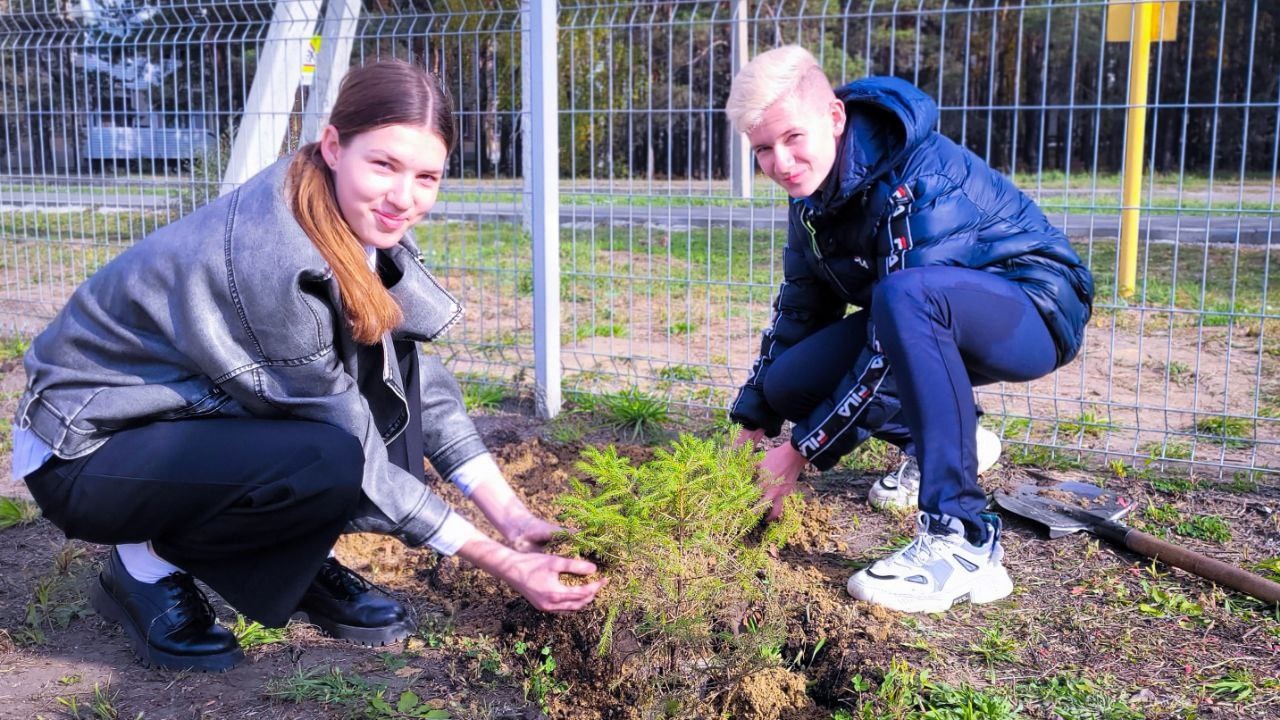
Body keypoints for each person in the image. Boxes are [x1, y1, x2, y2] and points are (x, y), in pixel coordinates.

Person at [11, 60, 603, 672]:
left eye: (427, 176)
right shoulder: (278, 260)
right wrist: (501, 562)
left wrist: (513, 518)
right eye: (384, 164)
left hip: (177, 417)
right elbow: (352, 443)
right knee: (327, 458)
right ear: (333, 145)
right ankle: (142, 568)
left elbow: (418, 385)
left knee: (362, 415)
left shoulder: (355, 222)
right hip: (85, 455)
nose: (405, 197)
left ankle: (292, 550)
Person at [724, 46, 1093, 614]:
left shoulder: (916, 182)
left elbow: (892, 338)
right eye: (763, 150)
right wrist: (754, 418)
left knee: (904, 299)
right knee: (789, 384)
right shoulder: (812, 198)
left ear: (835, 118)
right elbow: (801, 308)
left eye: (792, 137)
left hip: (1033, 309)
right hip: (923, 315)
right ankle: (946, 443)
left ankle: (963, 541)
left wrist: (800, 450)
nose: (781, 162)